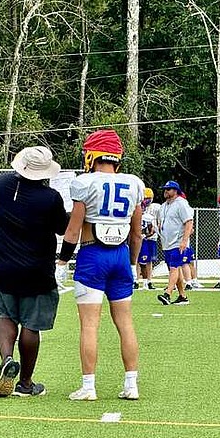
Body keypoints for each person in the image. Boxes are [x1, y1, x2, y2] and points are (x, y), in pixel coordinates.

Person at [56, 129, 143, 401]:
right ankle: (131, 385)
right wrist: (133, 264)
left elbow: (73, 229)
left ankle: (89, 387)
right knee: (125, 323)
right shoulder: (134, 183)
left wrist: (62, 262)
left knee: (90, 325)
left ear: (93, 155)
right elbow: (136, 231)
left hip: (93, 255)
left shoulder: (86, 183)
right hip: (121, 254)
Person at [0, 146, 68, 398]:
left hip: (4, 266)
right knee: (32, 327)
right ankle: (25, 383)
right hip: (38, 270)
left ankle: (7, 359)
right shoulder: (50, 197)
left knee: (5, 317)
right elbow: (62, 228)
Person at [157, 180, 193, 305]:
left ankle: (167, 294)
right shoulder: (163, 206)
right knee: (173, 269)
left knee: (174, 268)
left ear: (175, 190)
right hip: (167, 243)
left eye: (168, 189)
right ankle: (183, 296)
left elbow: (188, 222)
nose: (165, 191)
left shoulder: (181, 204)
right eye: (165, 189)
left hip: (178, 242)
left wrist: (184, 241)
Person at [136, 187, 160, 290]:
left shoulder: (156, 207)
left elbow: (159, 221)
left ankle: (149, 280)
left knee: (149, 260)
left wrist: (154, 230)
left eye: (148, 198)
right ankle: (136, 280)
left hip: (151, 237)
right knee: (136, 258)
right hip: (140, 237)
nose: (146, 200)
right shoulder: (138, 207)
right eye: (145, 198)